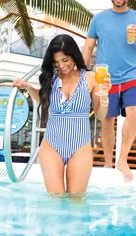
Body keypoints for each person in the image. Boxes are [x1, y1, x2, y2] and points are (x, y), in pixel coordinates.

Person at [12, 34, 111, 195]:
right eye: (56, 62)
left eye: (65, 60)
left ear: (74, 56)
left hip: (80, 146)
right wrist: (28, 87)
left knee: (76, 199)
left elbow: (100, 116)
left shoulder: (91, 78)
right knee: (55, 199)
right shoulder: (50, 78)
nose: (61, 65)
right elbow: (45, 101)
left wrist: (105, 94)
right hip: (51, 145)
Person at [83, 0, 136, 181]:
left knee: (133, 112)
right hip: (105, 78)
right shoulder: (98, 19)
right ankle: (107, 162)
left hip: (132, 74)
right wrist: (82, 70)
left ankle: (122, 159)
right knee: (107, 119)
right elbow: (88, 46)